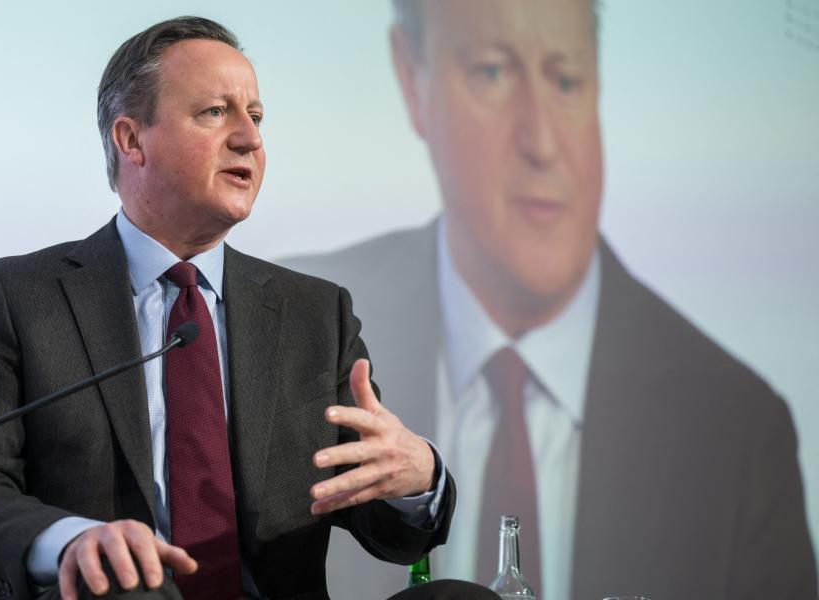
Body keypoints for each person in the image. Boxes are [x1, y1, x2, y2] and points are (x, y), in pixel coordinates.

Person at [0, 16, 499, 600]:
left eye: (257, 116)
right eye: (215, 113)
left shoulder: (314, 314)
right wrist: (71, 542)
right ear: (131, 140)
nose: (250, 138)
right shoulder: (22, 298)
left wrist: (417, 478)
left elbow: (390, 532)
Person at [283, 1, 818, 598]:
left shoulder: (742, 425)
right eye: (492, 72)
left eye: (566, 80)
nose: (541, 142)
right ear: (412, 80)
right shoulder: (298, 332)